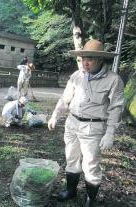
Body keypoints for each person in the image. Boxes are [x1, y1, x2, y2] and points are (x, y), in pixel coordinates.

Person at [47, 39, 124, 207]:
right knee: (71, 158)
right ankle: (71, 190)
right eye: (83, 58)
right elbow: (65, 99)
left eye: (90, 58)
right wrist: (55, 115)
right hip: (72, 123)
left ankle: (90, 199)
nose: (85, 62)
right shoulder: (76, 76)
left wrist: (110, 133)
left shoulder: (113, 80)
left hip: (94, 127)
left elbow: (116, 108)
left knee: (90, 164)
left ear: (100, 60)